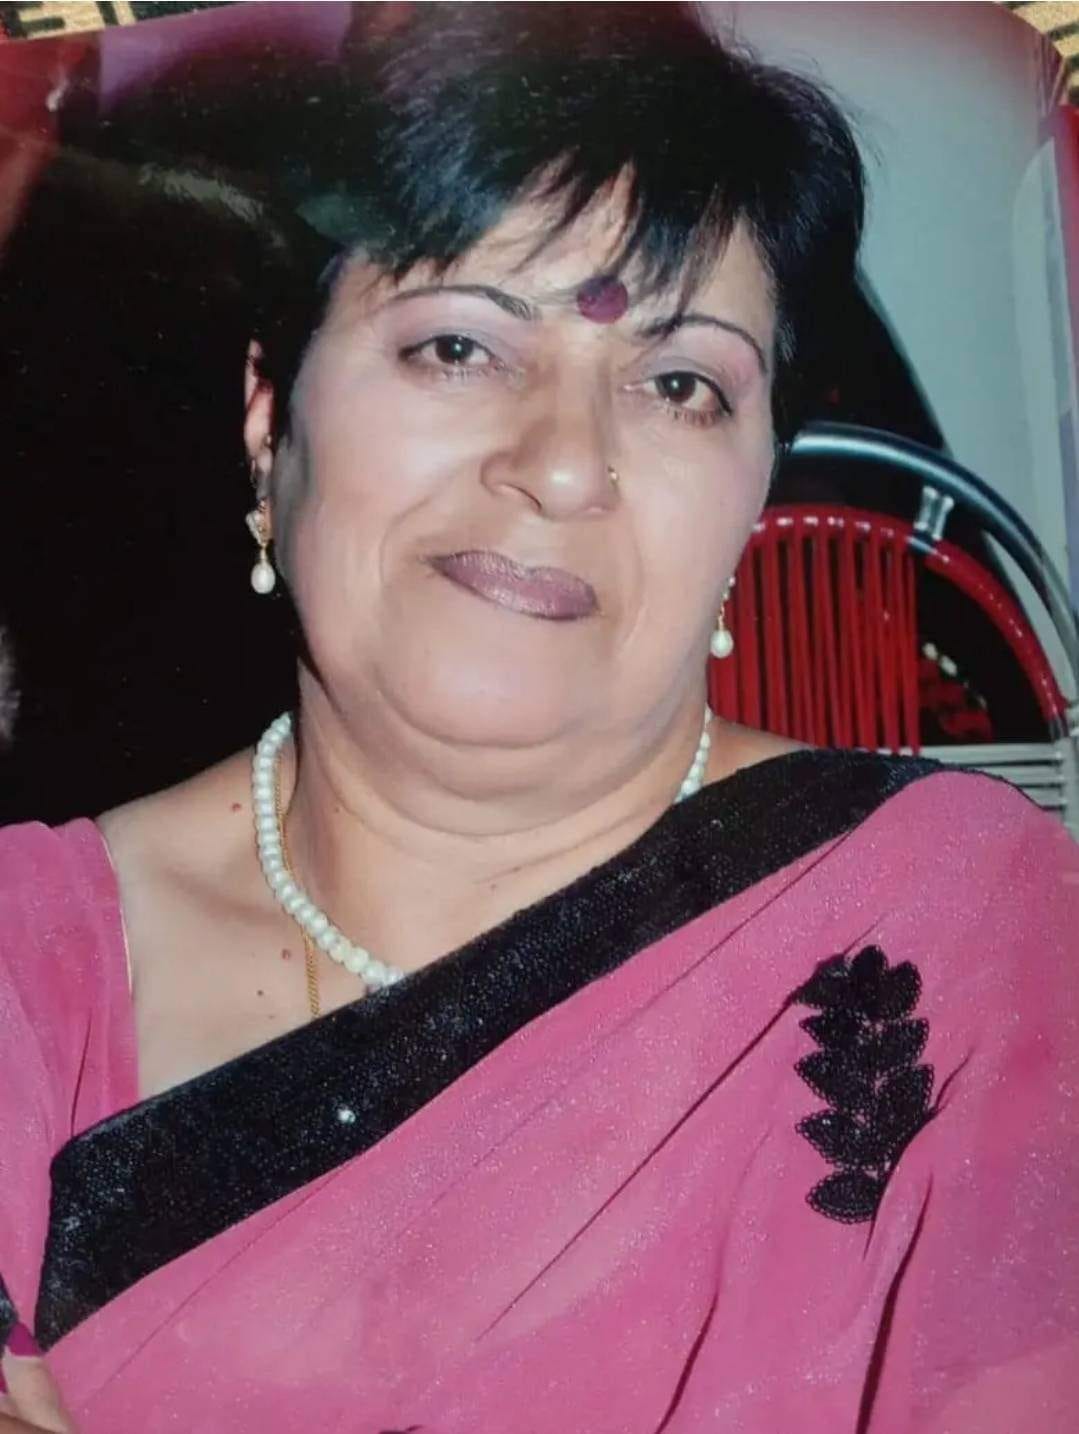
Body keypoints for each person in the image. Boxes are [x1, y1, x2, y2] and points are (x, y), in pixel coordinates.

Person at [0, 5, 1076, 1431]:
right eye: (458, 347)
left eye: (681, 385)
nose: (565, 466)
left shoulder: (976, 929)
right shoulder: (29, 963)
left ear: (759, 485)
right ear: (270, 415)